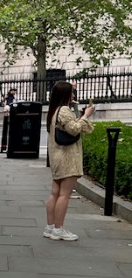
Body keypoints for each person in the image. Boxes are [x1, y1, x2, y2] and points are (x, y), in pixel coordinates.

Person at [44, 80, 94, 241]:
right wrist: (86, 116)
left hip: (57, 156)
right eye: (71, 92)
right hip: (67, 157)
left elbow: (70, 126)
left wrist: (79, 115)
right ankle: (58, 229)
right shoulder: (64, 110)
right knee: (64, 195)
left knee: (55, 193)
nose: (73, 95)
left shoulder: (54, 110)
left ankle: (50, 227)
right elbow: (74, 130)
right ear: (65, 94)